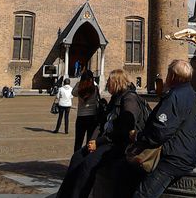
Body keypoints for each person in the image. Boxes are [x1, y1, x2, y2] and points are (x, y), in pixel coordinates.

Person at [56, 69, 145, 198]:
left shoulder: (129, 99)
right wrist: (92, 141)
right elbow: (101, 122)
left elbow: (125, 131)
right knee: (77, 157)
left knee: (88, 163)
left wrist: (98, 143)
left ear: (116, 82)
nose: (107, 83)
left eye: (109, 81)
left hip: (118, 144)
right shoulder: (115, 98)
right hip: (105, 141)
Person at [132, 59, 196, 198]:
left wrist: (138, 137)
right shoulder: (192, 95)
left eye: (168, 73)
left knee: (142, 195)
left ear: (173, 76)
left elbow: (160, 132)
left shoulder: (175, 96)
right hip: (187, 155)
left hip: (172, 160)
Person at [72, 70, 99, 152]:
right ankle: (87, 160)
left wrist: (79, 83)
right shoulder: (95, 88)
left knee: (78, 141)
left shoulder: (79, 87)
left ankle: (76, 160)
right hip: (92, 116)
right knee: (90, 141)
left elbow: (73, 93)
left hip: (81, 117)